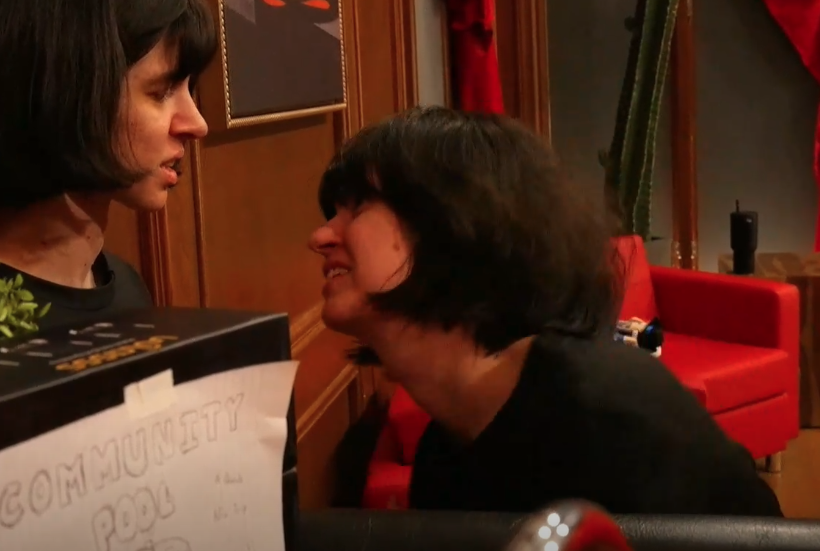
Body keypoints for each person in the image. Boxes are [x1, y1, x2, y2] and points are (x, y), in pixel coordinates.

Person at [310, 106, 783, 516]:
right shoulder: (443, 454)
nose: (321, 237)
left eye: (357, 207)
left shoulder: (601, 416)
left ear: (453, 223)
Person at [0, 0, 215, 328]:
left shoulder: (126, 286)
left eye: (189, 87)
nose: (198, 124)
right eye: (161, 91)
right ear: (62, 96)